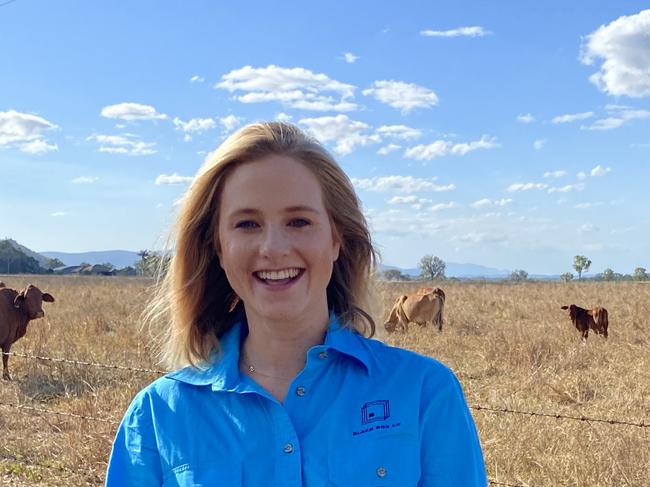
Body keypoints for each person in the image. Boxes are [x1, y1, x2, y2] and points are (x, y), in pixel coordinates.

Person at [105, 121, 487, 486]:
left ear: (337, 238)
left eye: (299, 222)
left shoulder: (423, 393)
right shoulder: (158, 417)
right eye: (247, 224)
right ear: (217, 247)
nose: (273, 248)